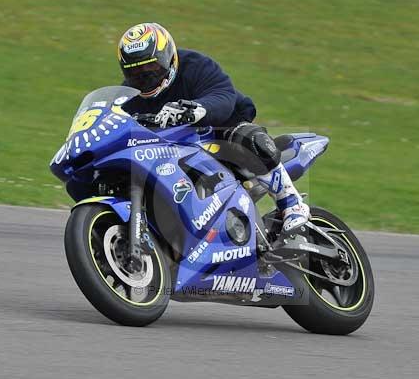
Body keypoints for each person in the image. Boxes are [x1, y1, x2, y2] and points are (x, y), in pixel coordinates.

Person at [117, 22, 311, 233]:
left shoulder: (195, 65)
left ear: (169, 57)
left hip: (219, 127)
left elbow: (223, 96)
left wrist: (197, 110)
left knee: (247, 137)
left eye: (151, 67)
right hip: (172, 146)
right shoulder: (128, 96)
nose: (145, 76)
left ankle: (291, 203)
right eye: (135, 71)